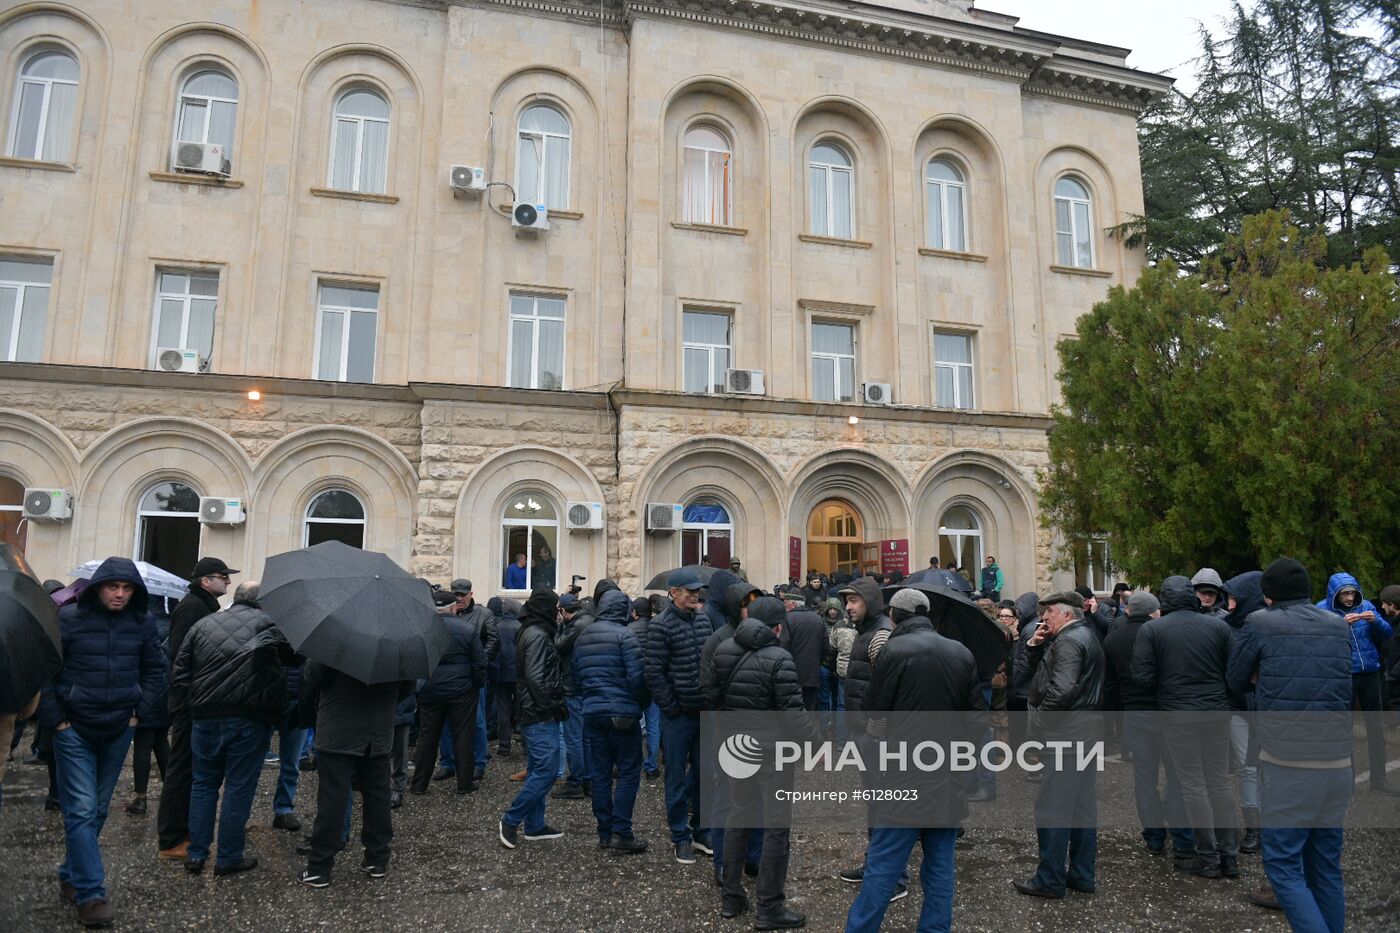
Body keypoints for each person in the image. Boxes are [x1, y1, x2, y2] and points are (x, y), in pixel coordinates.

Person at [845, 588, 984, 933]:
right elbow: (975, 720)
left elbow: (873, 709)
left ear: (895, 616)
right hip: (947, 777)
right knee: (940, 867)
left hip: (903, 776)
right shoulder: (961, 652)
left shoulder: (893, 650)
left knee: (883, 864)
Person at [1228, 558, 1354, 933]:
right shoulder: (1337, 625)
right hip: (1338, 761)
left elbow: (1235, 679)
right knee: (1325, 867)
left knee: (1283, 867)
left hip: (1288, 763)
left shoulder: (1260, 623)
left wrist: (1260, 676)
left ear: (1267, 595)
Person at [38, 557, 164, 928]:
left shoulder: (143, 624)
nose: (120, 594)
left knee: (99, 810)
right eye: (113, 587)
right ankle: (91, 895)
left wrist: (138, 713)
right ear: (98, 587)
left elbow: (155, 671)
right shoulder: (69, 619)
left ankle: (70, 873)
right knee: (80, 808)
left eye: (127, 589)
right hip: (73, 728)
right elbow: (47, 670)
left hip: (119, 727)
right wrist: (55, 721)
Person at [172, 581, 293, 876]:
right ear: (262, 602)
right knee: (239, 787)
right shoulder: (269, 625)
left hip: (204, 717)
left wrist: (193, 705)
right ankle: (227, 856)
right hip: (248, 718)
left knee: (203, 785)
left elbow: (180, 672)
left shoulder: (203, 624)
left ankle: (196, 854)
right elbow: (295, 659)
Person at [704, 596, 808, 929]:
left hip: (736, 747)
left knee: (738, 818)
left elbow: (709, 697)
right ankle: (770, 907)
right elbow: (794, 715)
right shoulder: (780, 658)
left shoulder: (723, 650)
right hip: (772, 753)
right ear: (778, 627)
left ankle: (732, 898)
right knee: (777, 828)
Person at [1130, 576, 1237, 877]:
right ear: (1191, 596)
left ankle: (1208, 859)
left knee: (1193, 786)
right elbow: (1234, 670)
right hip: (1216, 711)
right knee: (1219, 783)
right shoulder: (1218, 626)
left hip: (1178, 715)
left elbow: (1142, 676)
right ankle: (1228, 856)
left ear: (1164, 599)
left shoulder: (1152, 629)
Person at [1012, 590, 1104, 899]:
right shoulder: (1082, 636)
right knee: (1081, 808)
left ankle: (1050, 878)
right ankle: (1081, 874)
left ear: (1066, 613)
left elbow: (1062, 688)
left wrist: (1038, 720)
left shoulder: (1068, 641)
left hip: (1067, 734)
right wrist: (1035, 646)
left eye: (1048, 612)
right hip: (1085, 732)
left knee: (1053, 807)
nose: (1043, 617)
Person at [297, 660, 411, 888]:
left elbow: (313, 675)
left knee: (332, 799)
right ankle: (377, 858)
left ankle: (320, 866)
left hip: (338, 729)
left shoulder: (336, 640)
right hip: (378, 730)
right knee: (378, 795)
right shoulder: (396, 647)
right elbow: (407, 688)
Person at [1103, 591, 1193, 860]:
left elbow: (1109, 684)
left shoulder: (1113, 639)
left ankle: (1153, 838)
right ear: (1155, 612)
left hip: (1135, 714)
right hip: (1166, 712)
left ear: (1128, 611)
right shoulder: (1164, 634)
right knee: (1176, 777)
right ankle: (1182, 839)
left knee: (1144, 780)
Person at [158, 556, 236, 861]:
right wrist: (191, 696)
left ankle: (183, 832)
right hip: (190, 703)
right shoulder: (193, 607)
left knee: (190, 770)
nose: (228, 581)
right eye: (223, 576)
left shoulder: (202, 606)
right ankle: (171, 839)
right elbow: (183, 657)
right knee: (181, 770)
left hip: (194, 700)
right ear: (206, 581)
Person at [644, 569, 714, 864]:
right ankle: (680, 836)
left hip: (704, 712)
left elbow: (710, 661)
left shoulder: (703, 620)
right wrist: (671, 707)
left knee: (705, 775)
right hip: (677, 716)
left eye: (697, 591)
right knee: (675, 777)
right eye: (689, 591)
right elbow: (653, 673)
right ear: (673, 593)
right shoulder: (660, 626)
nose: (695, 595)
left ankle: (701, 831)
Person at [574, 588, 649, 854]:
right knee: (628, 773)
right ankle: (621, 831)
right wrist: (641, 704)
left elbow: (576, 677)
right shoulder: (625, 636)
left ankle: (604, 832)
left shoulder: (583, 637)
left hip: (593, 712)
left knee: (601, 774)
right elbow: (637, 677)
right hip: (623, 713)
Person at [835, 577, 898, 893]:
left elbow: (889, 688)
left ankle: (891, 877)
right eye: (846, 601)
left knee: (884, 804)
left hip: (876, 737)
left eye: (855, 600)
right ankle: (877, 865)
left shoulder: (880, 635)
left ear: (871, 602)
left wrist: (875, 731)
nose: (848, 606)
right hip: (864, 731)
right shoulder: (866, 632)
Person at [499, 585, 567, 849]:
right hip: (539, 715)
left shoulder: (531, 630)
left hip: (533, 712)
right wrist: (550, 708)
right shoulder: (538, 635)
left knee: (539, 770)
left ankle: (536, 826)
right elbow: (537, 678)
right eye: (555, 607)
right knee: (547, 772)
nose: (558, 612)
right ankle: (511, 818)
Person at [1316, 571, 1396, 795]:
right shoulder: (1322, 609)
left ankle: (1379, 779)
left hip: (1370, 673)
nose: (1350, 598)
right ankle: (1346, 782)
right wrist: (1340, 625)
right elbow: (1317, 642)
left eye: (1352, 593)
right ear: (1335, 594)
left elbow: (1387, 632)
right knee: (1344, 730)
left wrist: (1376, 620)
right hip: (1343, 675)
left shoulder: (1366, 605)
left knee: (1375, 728)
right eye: (1345, 594)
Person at [410, 584, 487, 797]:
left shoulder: (423, 630)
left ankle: (418, 785)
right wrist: (474, 685)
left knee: (427, 737)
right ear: (454, 608)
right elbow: (480, 663)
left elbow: (415, 660)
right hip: (461, 691)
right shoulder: (467, 629)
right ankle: (464, 783)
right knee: (463, 735)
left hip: (430, 689)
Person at [555, 584, 611, 799]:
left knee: (574, 738)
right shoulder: (590, 620)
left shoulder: (575, 626)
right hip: (589, 685)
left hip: (574, 686)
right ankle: (589, 779)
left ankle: (576, 781)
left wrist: (559, 627)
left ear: (564, 611)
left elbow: (558, 646)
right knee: (586, 738)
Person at [125, 606, 171, 816]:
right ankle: (170, 794)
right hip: (166, 692)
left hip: (146, 691)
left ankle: (141, 798)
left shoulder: (141, 626)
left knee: (143, 745)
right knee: (161, 740)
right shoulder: (171, 625)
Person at [628, 597, 662, 780]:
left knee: (633, 725)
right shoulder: (658, 629)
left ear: (635, 613)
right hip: (654, 683)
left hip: (634, 684)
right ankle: (651, 765)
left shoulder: (628, 631)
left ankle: (633, 762)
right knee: (653, 725)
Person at [779, 586, 826, 711]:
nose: (784, 606)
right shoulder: (818, 619)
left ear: (793, 604)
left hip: (792, 676)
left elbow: (784, 647)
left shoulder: (787, 619)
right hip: (812, 675)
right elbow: (826, 647)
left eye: (786, 603)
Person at [493, 598, 522, 755]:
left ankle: (504, 746)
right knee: (522, 708)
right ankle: (525, 743)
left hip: (501, 673)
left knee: (503, 710)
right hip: (518, 674)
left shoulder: (496, 627)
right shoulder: (520, 627)